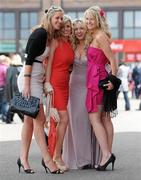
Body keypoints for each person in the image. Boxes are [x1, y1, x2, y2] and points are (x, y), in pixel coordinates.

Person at [17, 6, 64, 174]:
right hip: (28, 79)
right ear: (49, 18)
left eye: (61, 18)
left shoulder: (50, 36)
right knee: (40, 118)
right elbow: (28, 59)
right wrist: (27, 85)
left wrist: (44, 79)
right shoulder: (41, 33)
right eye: (57, 18)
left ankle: (23, 159)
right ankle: (48, 160)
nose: (60, 21)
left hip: (37, 80)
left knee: (29, 121)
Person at [62, 19, 101, 169]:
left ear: (86, 29)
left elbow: (102, 62)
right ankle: (77, 158)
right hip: (73, 86)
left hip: (89, 85)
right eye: (76, 28)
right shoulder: (71, 44)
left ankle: (88, 158)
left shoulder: (92, 44)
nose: (78, 31)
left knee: (87, 120)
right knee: (74, 121)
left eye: (81, 28)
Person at [84, 6, 118, 171]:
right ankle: (107, 154)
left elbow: (113, 60)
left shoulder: (100, 36)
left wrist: (112, 81)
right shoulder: (94, 36)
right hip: (95, 78)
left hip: (99, 80)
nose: (88, 22)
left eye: (91, 18)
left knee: (95, 118)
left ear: (98, 20)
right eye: (87, 18)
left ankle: (106, 154)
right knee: (104, 118)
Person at [44, 15, 74, 172]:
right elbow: (48, 65)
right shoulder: (55, 42)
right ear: (60, 27)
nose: (67, 29)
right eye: (65, 26)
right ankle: (56, 156)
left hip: (65, 85)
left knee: (59, 121)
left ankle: (53, 155)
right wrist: (47, 83)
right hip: (55, 84)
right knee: (63, 119)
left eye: (69, 26)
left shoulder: (69, 44)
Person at [5, 54, 24, 123]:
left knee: (13, 104)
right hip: (17, 89)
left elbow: (7, 80)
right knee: (16, 105)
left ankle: (9, 119)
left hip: (9, 88)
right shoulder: (20, 68)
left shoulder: (9, 68)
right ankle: (21, 118)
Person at [0, 55, 9, 122]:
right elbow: (7, 78)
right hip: (3, 87)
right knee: (4, 102)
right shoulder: (5, 68)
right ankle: (4, 116)